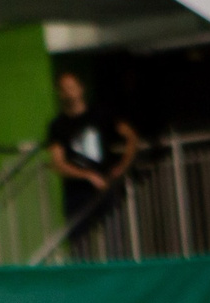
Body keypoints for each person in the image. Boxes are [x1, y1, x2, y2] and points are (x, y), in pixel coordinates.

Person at [44, 70, 141, 249]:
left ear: (81, 88)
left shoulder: (100, 114)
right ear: (59, 93)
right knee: (79, 242)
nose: (69, 92)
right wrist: (87, 175)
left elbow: (131, 137)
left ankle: (116, 271)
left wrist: (122, 166)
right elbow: (58, 162)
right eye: (64, 89)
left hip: (105, 187)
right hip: (76, 192)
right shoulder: (58, 126)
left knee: (115, 239)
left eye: (72, 87)